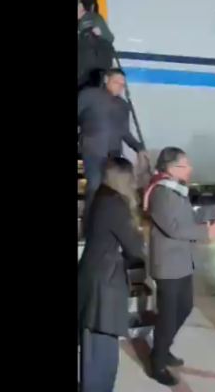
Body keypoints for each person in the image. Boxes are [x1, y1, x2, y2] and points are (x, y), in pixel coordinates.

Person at [144, 147, 215, 386]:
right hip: (168, 265)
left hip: (181, 262)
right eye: (186, 164)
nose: (190, 168)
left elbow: (190, 214)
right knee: (168, 314)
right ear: (172, 167)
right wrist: (206, 233)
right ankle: (157, 362)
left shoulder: (175, 189)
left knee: (184, 307)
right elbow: (174, 228)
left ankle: (163, 348)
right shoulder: (161, 192)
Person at [77, 157, 146, 392]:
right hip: (103, 286)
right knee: (102, 354)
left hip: (92, 277)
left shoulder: (99, 198)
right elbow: (135, 248)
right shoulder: (115, 205)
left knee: (93, 349)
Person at [78, 68, 146, 235]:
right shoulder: (88, 96)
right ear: (106, 80)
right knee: (94, 186)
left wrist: (138, 148)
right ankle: (89, 229)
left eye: (122, 85)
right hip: (93, 151)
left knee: (115, 190)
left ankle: (111, 227)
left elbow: (125, 132)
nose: (119, 87)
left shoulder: (122, 105)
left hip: (114, 154)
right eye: (117, 83)